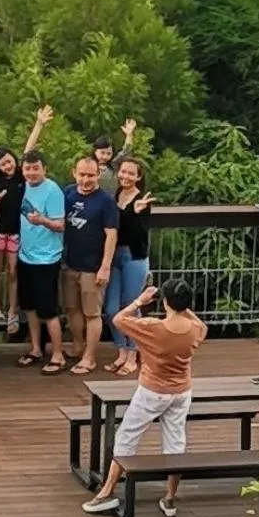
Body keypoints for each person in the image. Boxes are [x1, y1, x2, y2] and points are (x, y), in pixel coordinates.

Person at [82, 280, 206, 517]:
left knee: (127, 437)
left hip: (152, 390)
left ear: (165, 302)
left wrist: (140, 301)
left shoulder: (152, 327)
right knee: (175, 441)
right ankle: (169, 498)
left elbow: (118, 320)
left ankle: (107, 492)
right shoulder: (195, 330)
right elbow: (200, 324)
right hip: (181, 392)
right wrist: (183, 305)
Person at [0, 108, 52, 330]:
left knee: (13, 271)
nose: (8, 165)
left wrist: (39, 124)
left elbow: (29, 150)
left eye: (9, 161)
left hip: (17, 231)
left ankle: (13, 311)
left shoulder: (19, 176)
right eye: (3, 164)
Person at [62, 156, 119, 376]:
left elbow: (111, 235)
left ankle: (90, 357)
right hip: (69, 263)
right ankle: (77, 346)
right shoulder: (67, 193)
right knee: (71, 308)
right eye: (82, 174)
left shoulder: (106, 201)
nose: (86, 179)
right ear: (74, 173)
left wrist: (105, 267)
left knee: (92, 313)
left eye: (91, 175)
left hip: (92, 266)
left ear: (98, 175)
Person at [16, 149, 67, 373]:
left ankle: (58, 354)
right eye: (28, 168)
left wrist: (42, 221)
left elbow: (60, 225)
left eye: (36, 168)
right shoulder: (21, 187)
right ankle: (36, 348)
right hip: (24, 255)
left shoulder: (53, 190)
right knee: (29, 307)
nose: (32, 172)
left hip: (47, 258)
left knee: (48, 310)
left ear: (44, 169)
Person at [105, 156, 155, 375]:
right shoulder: (116, 195)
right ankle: (121, 350)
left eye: (131, 173)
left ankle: (133, 354)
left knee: (132, 305)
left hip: (134, 258)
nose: (125, 176)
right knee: (111, 308)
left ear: (139, 177)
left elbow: (140, 235)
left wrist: (136, 213)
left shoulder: (141, 200)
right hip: (114, 256)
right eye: (123, 172)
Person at [94, 119, 136, 196]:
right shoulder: (89, 165)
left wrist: (129, 135)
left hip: (112, 201)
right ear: (95, 151)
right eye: (102, 153)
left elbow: (126, 151)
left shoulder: (113, 164)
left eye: (109, 153)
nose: (105, 156)